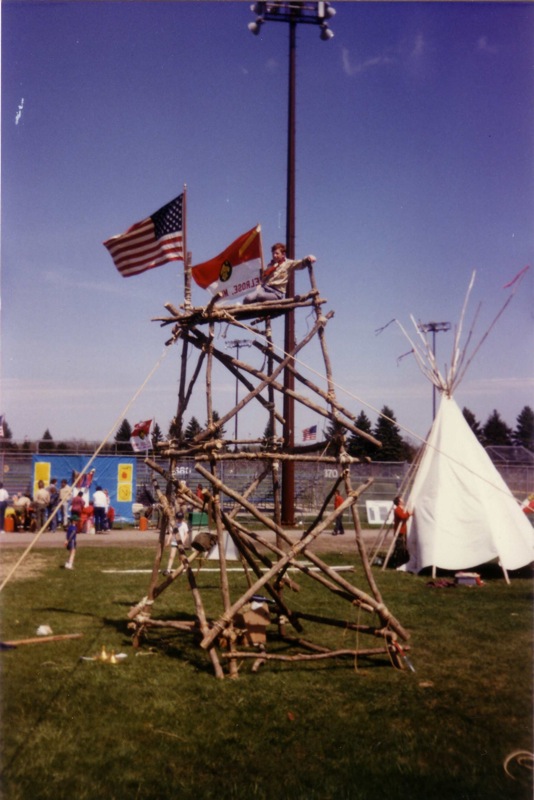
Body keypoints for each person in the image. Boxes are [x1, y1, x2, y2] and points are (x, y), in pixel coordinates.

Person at [242, 243, 316, 304]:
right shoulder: (270, 266)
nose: (274, 255)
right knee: (248, 298)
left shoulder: (288, 263)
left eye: (277, 253)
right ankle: (245, 310)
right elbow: (263, 279)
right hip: (265, 288)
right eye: (273, 253)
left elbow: (300, 263)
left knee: (260, 296)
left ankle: (257, 303)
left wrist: (308, 258)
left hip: (276, 293)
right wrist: (259, 284)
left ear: (283, 254)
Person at [390, 496, 412, 568]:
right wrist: (409, 513)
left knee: (403, 546)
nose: (403, 500)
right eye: (401, 499)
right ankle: (398, 562)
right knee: (399, 547)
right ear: (399, 502)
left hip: (403, 530)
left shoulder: (402, 508)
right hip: (399, 531)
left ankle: (402, 560)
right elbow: (403, 516)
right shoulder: (397, 509)